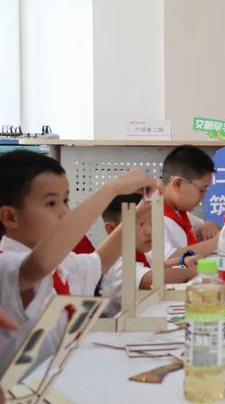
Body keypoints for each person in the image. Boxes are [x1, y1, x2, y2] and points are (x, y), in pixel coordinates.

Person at [0, 149, 155, 373]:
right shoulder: (6, 265)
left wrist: (138, 213)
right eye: (51, 203)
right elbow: (38, 266)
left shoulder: (62, 262)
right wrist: (112, 189)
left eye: (66, 200)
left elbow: (99, 262)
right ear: (10, 217)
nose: (65, 212)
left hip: (58, 378)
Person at [100, 194, 198, 317]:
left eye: (152, 223)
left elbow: (161, 265)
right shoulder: (114, 263)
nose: (149, 231)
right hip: (118, 330)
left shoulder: (139, 254)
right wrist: (196, 271)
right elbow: (154, 277)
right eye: (140, 224)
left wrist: (183, 261)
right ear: (112, 229)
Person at [161, 145, 220, 261]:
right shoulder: (151, 218)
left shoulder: (179, 213)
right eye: (202, 190)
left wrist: (210, 225)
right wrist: (216, 243)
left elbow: (214, 229)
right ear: (177, 184)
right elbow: (168, 257)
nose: (203, 197)